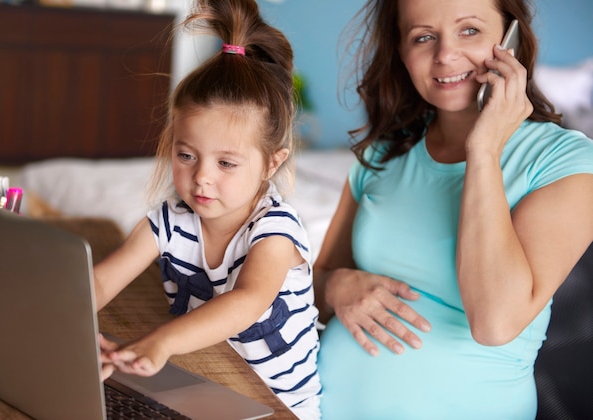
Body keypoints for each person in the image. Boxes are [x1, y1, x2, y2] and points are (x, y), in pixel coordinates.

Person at [313, 0, 593, 418]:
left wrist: (483, 149)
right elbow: (315, 288)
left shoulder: (567, 160)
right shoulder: (382, 154)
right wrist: (335, 287)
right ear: (402, 54)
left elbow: (495, 323)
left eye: (469, 31)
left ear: (511, 40)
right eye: (423, 37)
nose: (445, 55)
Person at [94, 0, 321, 417]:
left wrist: (161, 341)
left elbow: (247, 302)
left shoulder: (274, 229)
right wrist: (71, 321)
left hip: (277, 407)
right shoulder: (169, 220)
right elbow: (102, 282)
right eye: (186, 156)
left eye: (226, 163)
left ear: (272, 162)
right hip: (201, 382)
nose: (202, 177)